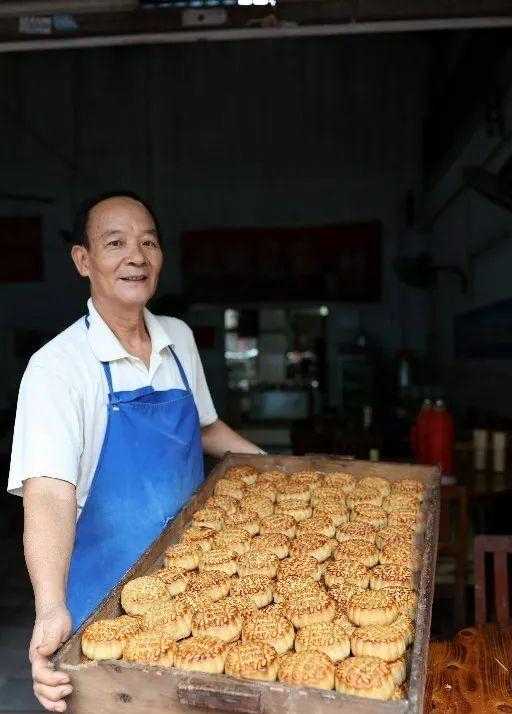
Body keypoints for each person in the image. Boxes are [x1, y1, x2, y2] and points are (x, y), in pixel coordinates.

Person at [7, 191, 264, 713]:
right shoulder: (58, 368)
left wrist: (285, 471)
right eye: (116, 243)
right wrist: (51, 606)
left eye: (148, 242)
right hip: (108, 605)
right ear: (83, 260)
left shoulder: (178, 338)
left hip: (197, 585)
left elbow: (206, 429)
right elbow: (49, 493)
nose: (137, 256)